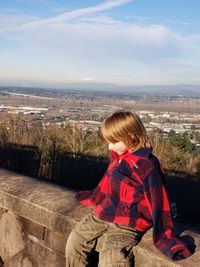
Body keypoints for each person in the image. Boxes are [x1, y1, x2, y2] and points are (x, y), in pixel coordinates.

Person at [65, 110, 191, 267]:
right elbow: (105, 184)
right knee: (75, 241)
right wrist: (92, 197)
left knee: (112, 257)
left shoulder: (147, 165)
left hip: (129, 222)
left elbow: (159, 202)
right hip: (105, 213)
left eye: (114, 142)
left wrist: (165, 237)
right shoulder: (117, 158)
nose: (110, 146)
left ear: (130, 136)